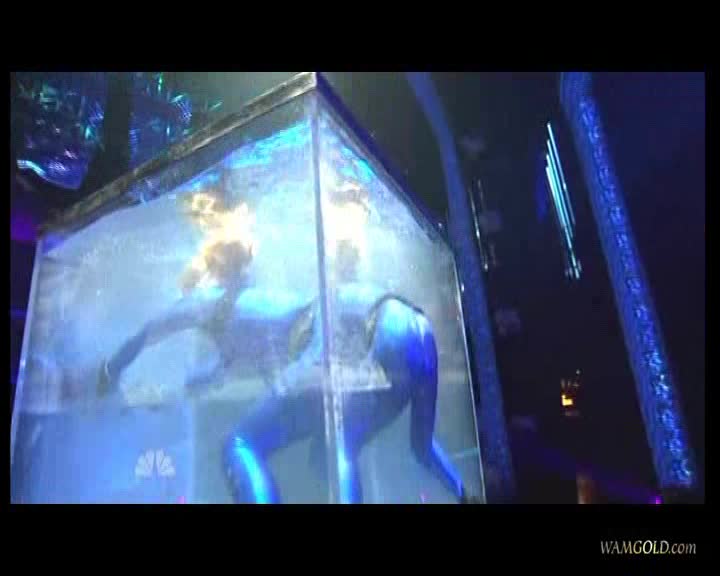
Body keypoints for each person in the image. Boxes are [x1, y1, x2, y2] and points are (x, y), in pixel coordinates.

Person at [99, 177, 466, 503]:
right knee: (387, 447)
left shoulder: (203, 302)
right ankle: (467, 495)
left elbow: (144, 334)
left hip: (349, 333)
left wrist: (109, 371)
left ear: (206, 273)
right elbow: (213, 373)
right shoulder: (249, 313)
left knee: (242, 444)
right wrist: (170, 393)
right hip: (412, 325)